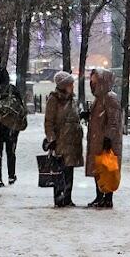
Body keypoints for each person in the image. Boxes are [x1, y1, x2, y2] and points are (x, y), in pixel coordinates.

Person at [43, 71, 84, 207]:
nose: (73, 86)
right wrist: (51, 139)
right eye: (70, 83)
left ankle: (68, 197)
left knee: (69, 169)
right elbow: (49, 122)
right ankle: (60, 198)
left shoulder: (72, 99)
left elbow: (74, 116)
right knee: (60, 170)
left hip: (72, 141)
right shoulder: (54, 100)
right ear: (64, 85)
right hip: (61, 141)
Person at [85, 68, 123, 208]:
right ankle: (100, 196)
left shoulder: (109, 98)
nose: (92, 83)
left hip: (106, 142)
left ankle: (107, 198)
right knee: (99, 169)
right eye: (92, 80)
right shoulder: (99, 98)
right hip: (98, 140)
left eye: (95, 80)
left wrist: (108, 138)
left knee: (107, 169)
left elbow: (113, 121)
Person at [0, 66, 26, 187]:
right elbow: (20, 107)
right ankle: (11, 176)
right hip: (11, 125)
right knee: (11, 151)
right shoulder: (12, 89)